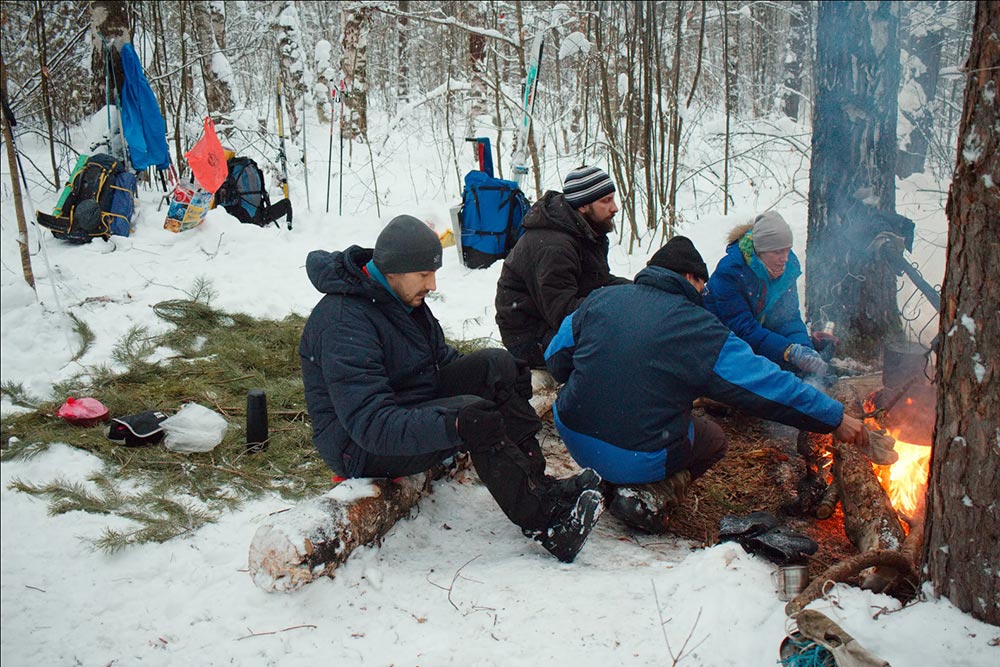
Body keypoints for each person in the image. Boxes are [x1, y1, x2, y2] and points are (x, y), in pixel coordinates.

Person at [299, 214, 603, 562]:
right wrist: (455, 423)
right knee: (476, 416)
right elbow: (371, 424)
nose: (432, 285)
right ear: (393, 270)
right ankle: (546, 522)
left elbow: (439, 359)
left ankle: (540, 486)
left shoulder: (398, 296)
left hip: (405, 407)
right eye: (424, 275)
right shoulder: (343, 322)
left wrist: (501, 375)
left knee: (496, 367)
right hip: (360, 446)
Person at [544, 236, 870, 534]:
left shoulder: (601, 299)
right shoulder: (699, 328)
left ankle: (610, 476)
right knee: (713, 438)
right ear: (690, 278)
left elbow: (556, 360)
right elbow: (765, 384)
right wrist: (834, 417)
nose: (704, 293)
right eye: (702, 284)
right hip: (637, 457)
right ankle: (653, 493)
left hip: (574, 433)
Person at [495, 166, 631, 368]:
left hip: (550, 322)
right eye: (605, 201)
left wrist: (640, 290)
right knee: (622, 344)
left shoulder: (585, 232)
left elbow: (600, 282)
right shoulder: (554, 246)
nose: (615, 208)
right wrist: (618, 307)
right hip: (530, 339)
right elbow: (564, 313)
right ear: (583, 206)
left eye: (613, 198)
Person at [704, 211, 828, 376]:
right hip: (721, 346)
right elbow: (743, 328)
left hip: (758, 340)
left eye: (787, 250)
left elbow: (788, 319)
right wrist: (788, 351)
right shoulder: (730, 272)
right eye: (778, 252)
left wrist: (804, 349)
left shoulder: (786, 270)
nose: (784, 258)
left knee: (801, 373)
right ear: (760, 251)